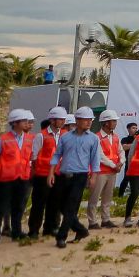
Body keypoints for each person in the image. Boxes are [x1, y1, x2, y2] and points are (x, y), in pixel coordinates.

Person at [49, 106, 102, 248]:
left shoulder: (93, 139)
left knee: (71, 207)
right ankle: (81, 229)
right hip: (63, 175)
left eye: (91, 120)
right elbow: (57, 155)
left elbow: (95, 160)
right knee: (61, 206)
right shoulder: (65, 137)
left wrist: (93, 178)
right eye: (86, 120)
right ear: (78, 120)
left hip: (80, 177)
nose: (89, 122)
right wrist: (51, 173)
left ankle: (62, 236)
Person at [0, 110, 34, 245]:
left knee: (19, 207)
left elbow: (30, 157)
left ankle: (17, 232)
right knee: (1, 207)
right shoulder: (2, 139)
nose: (27, 123)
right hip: (6, 180)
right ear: (15, 123)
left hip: (22, 178)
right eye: (24, 121)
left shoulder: (28, 139)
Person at [27, 106, 68, 239]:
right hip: (42, 174)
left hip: (59, 174)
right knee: (39, 203)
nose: (62, 122)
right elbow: (34, 156)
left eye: (63, 119)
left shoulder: (65, 134)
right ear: (52, 120)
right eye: (60, 119)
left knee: (54, 203)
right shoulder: (41, 136)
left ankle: (50, 228)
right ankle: (33, 230)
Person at [87, 110, 123, 230]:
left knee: (108, 197)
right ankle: (92, 222)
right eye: (113, 121)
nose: (115, 123)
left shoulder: (115, 137)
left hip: (112, 172)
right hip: (100, 171)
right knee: (94, 197)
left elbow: (121, 151)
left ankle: (105, 219)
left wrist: (121, 162)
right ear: (106, 123)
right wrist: (115, 165)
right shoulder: (97, 137)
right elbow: (100, 156)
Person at [117, 120, 139, 197]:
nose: (135, 129)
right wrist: (136, 143)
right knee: (126, 179)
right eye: (133, 128)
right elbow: (124, 147)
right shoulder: (125, 139)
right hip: (129, 162)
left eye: (136, 128)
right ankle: (120, 195)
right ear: (128, 129)